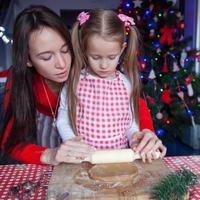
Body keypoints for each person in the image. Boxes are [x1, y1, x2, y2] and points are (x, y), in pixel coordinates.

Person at [57, 9, 166, 163]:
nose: (104, 65)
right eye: (95, 57)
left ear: (122, 49)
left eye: (111, 57)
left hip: (119, 160)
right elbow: (63, 119)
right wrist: (71, 142)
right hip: (84, 161)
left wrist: (134, 136)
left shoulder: (125, 84)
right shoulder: (74, 81)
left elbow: (129, 124)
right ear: (84, 49)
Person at [0, 5, 95, 165]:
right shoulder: (21, 83)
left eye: (65, 51)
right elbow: (11, 143)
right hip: (48, 169)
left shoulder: (90, 68)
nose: (61, 64)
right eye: (46, 57)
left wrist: (145, 131)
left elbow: (132, 100)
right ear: (27, 60)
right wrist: (49, 155)